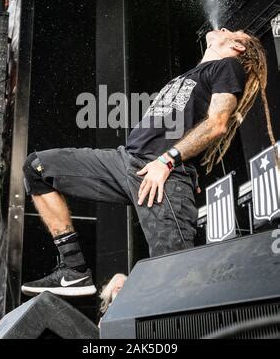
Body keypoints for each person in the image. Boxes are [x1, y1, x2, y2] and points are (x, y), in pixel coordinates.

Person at [21, 28, 278, 296]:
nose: (223, 28)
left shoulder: (228, 67)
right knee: (37, 167)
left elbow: (217, 124)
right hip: (127, 160)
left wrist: (168, 161)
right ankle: (74, 270)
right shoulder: (192, 75)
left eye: (232, 31)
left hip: (163, 175)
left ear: (237, 46)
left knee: (175, 279)